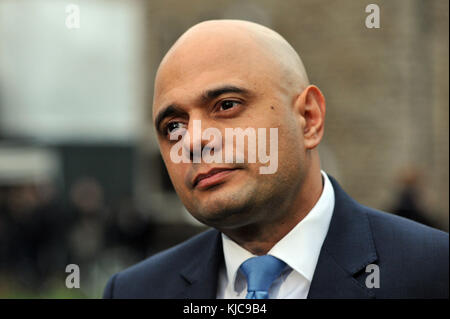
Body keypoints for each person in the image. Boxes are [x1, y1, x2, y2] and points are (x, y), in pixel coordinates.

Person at [103, 20, 448, 299]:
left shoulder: (434, 271)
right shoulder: (135, 291)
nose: (192, 141)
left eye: (226, 105)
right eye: (173, 125)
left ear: (309, 119)